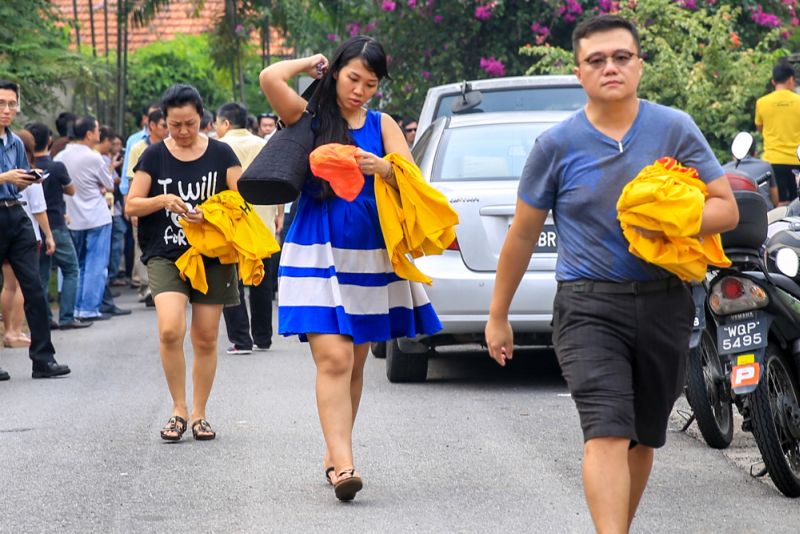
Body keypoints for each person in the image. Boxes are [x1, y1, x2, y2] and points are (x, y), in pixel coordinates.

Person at [484, 15, 738, 533]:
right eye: (596, 60)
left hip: (667, 301)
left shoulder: (674, 128)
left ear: (639, 65)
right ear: (579, 73)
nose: (610, 68)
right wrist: (498, 316)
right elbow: (522, 235)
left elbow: (727, 210)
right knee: (605, 430)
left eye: (621, 57)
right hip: (587, 306)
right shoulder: (555, 145)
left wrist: (670, 215)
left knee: (643, 437)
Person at [259, 35, 442, 501]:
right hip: (315, 250)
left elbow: (413, 183)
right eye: (352, 77)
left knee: (356, 361)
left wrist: (381, 168)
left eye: (370, 83)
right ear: (337, 72)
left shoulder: (382, 126)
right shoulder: (310, 117)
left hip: (371, 254)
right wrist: (312, 64)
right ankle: (344, 465)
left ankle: (336, 451)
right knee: (335, 359)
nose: (360, 90)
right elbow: (270, 77)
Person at [126, 84, 242, 442]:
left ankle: (199, 414)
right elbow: (131, 205)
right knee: (170, 329)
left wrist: (210, 213)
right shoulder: (153, 156)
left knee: (206, 337)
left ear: (202, 118)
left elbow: (241, 203)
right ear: (164, 122)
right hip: (166, 253)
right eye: (175, 125)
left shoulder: (222, 154)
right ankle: (178, 408)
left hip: (213, 256)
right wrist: (162, 200)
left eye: (189, 123)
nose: (183, 132)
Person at [0, 79, 70, 380]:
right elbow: (7, 178)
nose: (6, 110)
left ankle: (43, 359)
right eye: (1, 104)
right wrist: (5, 177)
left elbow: (17, 181)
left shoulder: (15, 142)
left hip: (16, 215)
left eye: (11, 104)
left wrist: (28, 178)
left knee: (35, 288)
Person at [214, 102, 283, 355]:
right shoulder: (264, 145)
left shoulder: (218, 148)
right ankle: (263, 337)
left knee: (231, 280)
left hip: (230, 222)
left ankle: (241, 339)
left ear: (226, 123)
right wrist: (278, 214)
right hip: (261, 221)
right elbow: (276, 180)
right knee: (260, 281)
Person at [54, 116, 121, 321]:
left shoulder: (60, 157)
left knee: (75, 265)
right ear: (89, 134)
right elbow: (109, 184)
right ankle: (89, 308)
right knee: (96, 264)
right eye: (98, 130)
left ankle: (72, 307)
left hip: (72, 216)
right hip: (97, 217)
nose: (99, 134)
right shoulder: (94, 157)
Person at [27, 123, 90, 331]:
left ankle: (45, 319)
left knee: (42, 275)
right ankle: (66, 316)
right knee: (71, 268)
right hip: (56, 226)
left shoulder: (25, 168)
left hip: (33, 228)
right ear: (50, 140)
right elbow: (71, 190)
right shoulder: (56, 167)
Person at [126, 109, 169, 306]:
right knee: (141, 246)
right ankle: (147, 289)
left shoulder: (171, 147)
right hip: (145, 203)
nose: (167, 129)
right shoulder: (138, 147)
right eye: (164, 125)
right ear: (151, 126)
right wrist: (132, 206)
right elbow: (130, 179)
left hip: (168, 206)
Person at [755, 62, 800, 205]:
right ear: (791, 80)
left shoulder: (762, 102)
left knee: (778, 205)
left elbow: (760, 128)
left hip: (772, 162)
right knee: (796, 204)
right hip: (796, 161)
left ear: (773, 81)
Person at [120, 103, 159, 196]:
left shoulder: (170, 140)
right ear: (145, 119)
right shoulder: (134, 140)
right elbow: (127, 169)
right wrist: (126, 194)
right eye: (153, 115)